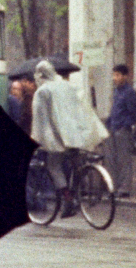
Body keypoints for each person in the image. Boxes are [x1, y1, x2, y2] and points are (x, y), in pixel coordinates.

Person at [31, 59, 109, 197]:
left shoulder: (43, 91)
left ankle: (67, 197)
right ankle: (77, 192)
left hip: (59, 137)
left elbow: (41, 121)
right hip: (78, 134)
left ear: (40, 75)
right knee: (76, 163)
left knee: (53, 165)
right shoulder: (69, 86)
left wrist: (38, 139)